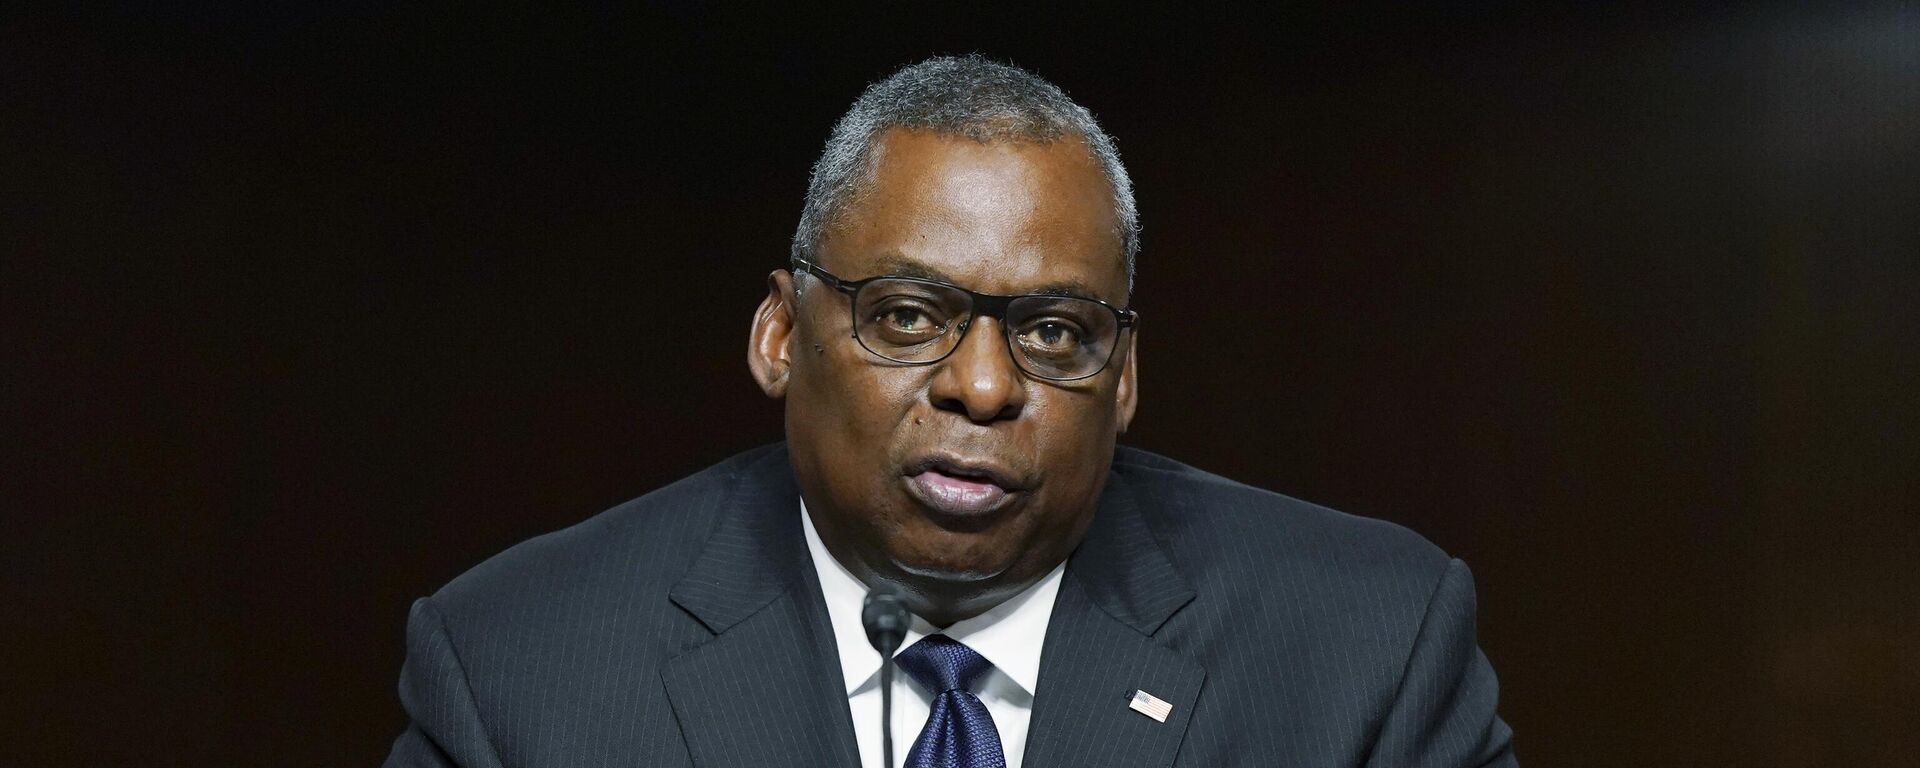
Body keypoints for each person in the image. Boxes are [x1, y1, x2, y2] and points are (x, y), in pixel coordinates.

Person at [382, 55, 1516, 768]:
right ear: (781, 337)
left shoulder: (1367, 650)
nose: (982, 386)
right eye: (909, 316)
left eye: (1056, 332)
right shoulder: (522, 672)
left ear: (1122, 381)